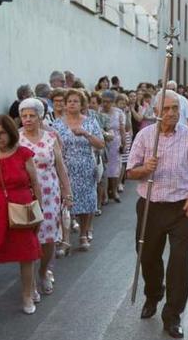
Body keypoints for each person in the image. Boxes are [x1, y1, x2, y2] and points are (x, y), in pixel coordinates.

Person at [126, 89, 188, 338]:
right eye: (166, 109)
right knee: (147, 256)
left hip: (180, 207)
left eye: (175, 108)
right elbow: (130, 172)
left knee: (179, 261)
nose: (172, 113)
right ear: (155, 112)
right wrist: (145, 168)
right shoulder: (144, 137)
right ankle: (153, 293)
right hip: (150, 206)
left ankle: (173, 315)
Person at [0, 115, 42, 328]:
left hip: (22, 210)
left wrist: (38, 212)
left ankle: (27, 296)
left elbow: (35, 184)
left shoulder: (23, 154)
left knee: (26, 255)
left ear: (10, 133)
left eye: (1, 133)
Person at [19, 98, 73, 294]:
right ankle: (30, 282)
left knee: (48, 238)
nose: (27, 119)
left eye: (32, 115)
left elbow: (60, 166)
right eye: (24, 116)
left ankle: (43, 272)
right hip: (25, 193)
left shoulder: (51, 137)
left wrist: (67, 192)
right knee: (28, 237)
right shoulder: (16, 138)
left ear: (40, 116)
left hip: (50, 192)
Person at [52, 90, 105, 250]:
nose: (72, 104)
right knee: (65, 203)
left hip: (86, 167)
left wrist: (86, 134)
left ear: (82, 104)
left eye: (76, 101)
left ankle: (83, 234)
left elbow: (101, 144)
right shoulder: (57, 124)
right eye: (69, 101)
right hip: (65, 168)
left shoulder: (90, 122)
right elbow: (53, 147)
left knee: (87, 202)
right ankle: (65, 239)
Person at [99, 90, 125, 203]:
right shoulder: (98, 112)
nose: (106, 104)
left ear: (113, 102)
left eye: (109, 102)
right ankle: (104, 194)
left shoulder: (119, 113)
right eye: (104, 101)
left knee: (114, 168)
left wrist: (123, 144)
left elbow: (123, 130)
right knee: (104, 168)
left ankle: (114, 191)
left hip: (115, 142)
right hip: (102, 142)